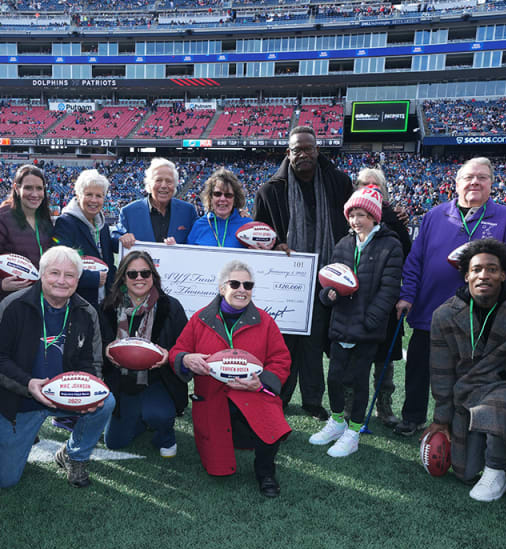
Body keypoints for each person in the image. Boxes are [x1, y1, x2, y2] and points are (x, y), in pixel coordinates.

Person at [394, 156, 506, 437]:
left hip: (478, 316)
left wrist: (492, 272)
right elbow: (415, 261)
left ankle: (462, 424)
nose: (475, 182)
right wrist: (408, 295)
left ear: (492, 184)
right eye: (468, 177)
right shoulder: (435, 215)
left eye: (482, 177)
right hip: (430, 311)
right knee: (419, 369)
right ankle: (412, 417)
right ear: (456, 184)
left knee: (468, 375)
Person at [424, 239, 506, 501]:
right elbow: (441, 372)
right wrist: (441, 420)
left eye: (492, 269)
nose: (484, 275)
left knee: (497, 408)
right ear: (466, 274)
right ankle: (501, 452)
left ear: (504, 274)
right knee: (465, 471)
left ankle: (498, 471)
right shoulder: (444, 315)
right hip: (466, 390)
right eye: (477, 269)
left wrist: (503, 375)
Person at [0, 245, 115, 489]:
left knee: (106, 401)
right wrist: (27, 383)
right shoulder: (14, 306)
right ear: (41, 274)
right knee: (5, 480)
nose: (61, 281)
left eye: (70, 275)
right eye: (54, 273)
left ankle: (74, 455)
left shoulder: (86, 311)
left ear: (78, 279)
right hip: (20, 400)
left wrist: (90, 390)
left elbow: (91, 362)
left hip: (65, 396)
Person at [253, 126, 354, 419]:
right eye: (297, 149)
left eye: (309, 148)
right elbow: (260, 236)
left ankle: (312, 400)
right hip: (285, 281)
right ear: (288, 153)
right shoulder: (271, 190)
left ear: (317, 150)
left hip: (324, 278)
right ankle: (279, 398)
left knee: (312, 345)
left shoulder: (338, 182)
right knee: (283, 346)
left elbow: (359, 216)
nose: (304, 154)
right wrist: (275, 246)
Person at [170, 260, 292, 497]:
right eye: (235, 283)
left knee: (271, 422)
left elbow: (281, 360)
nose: (242, 289)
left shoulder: (265, 322)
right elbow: (177, 351)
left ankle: (265, 472)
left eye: (248, 285)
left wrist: (261, 382)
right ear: (221, 288)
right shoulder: (199, 319)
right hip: (213, 395)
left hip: (252, 392)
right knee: (217, 465)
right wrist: (186, 359)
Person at [308, 185, 403, 457]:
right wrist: (327, 295)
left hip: (367, 329)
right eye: (352, 214)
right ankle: (338, 421)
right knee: (335, 377)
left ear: (374, 217)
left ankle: (355, 430)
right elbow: (328, 281)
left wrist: (371, 319)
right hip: (340, 325)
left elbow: (389, 289)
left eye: (362, 214)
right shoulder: (343, 243)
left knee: (359, 380)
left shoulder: (390, 245)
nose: (356, 220)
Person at [100, 250, 189, 457]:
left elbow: (185, 345)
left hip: (157, 380)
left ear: (153, 276)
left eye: (145, 273)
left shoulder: (170, 306)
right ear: (123, 277)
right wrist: (106, 349)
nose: (139, 278)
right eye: (132, 274)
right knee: (114, 443)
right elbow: (97, 344)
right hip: (122, 381)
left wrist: (169, 355)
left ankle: (164, 432)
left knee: (159, 414)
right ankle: (138, 418)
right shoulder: (108, 307)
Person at [355, 166, 413, 426]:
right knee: (355, 360)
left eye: (374, 186)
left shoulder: (394, 220)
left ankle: (384, 407)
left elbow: (410, 259)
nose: (369, 190)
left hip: (387, 302)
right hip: (355, 302)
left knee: (385, 361)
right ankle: (350, 406)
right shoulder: (349, 216)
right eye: (363, 185)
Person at [0, 164, 52, 312]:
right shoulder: (1, 218)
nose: (34, 194)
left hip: (37, 303)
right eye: (28, 188)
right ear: (16, 188)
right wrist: (0, 284)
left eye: (39, 188)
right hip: (6, 304)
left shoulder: (45, 220)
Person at [52, 169, 123, 307]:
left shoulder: (101, 224)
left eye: (99, 195)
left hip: (104, 301)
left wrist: (123, 240)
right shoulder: (66, 223)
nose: (94, 200)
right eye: (89, 194)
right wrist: (93, 278)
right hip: (78, 302)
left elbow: (106, 257)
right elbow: (59, 264)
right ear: (78, 195)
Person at [116, 158, 198, 245]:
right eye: (158, 180)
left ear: (175, 185)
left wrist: (178, 248)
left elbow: (198, 240)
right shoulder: (129, 212)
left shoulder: (188, 211)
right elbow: (115, 237)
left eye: (169, 181)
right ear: (149, 184)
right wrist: (122, 238)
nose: (163, 186)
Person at [187, 167, 254, 247]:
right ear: (210, 197)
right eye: (217, 194)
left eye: (228, 195)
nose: (222, 199)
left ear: (235, 198)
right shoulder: (199, 225)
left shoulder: (248, 225)